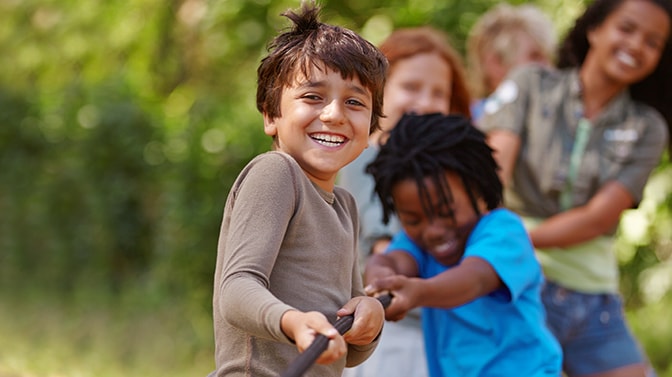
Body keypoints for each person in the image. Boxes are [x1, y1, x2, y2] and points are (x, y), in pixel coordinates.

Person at [480, 0, 672, 376]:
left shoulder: (648, 127)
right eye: (627, 29)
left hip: (593, 301)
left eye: (653, 42)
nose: (636, 46)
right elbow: (490, 175)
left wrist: (516, 237)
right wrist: (501, 248)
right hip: (518, 285)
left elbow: (598, 218)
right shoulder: (530, 85)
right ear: (595, 28)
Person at [207, 2, 389, 377]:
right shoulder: (276, 173)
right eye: (312, 97)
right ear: (271, 115)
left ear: (371, 128)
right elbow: (237, 289)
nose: (334, 114)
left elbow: (344, 352)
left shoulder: (345, 206)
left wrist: (368, 320)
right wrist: (292, 321)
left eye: (354, 102)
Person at [363, 113, 562, 377]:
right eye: (413, 219)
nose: (432, 231)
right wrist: (381, 281)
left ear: (478, 191)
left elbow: (474, 279)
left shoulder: (503, 231)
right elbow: (392, 261)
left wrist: (417, 292)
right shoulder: (417, 244)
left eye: (446, 211)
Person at [339, 27, 471, 377]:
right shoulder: (367, 157)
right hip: (394, 334)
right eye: (411, 87)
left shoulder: (445, 171)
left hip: (443, 330)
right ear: (379, 91)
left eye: (438, 93)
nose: (425, 102)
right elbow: (382, 244)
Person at [466, 3, 556, 122]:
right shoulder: (470, 122)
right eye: (535, 57)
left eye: (548, 58)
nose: (548, 67)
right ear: (495, 63)